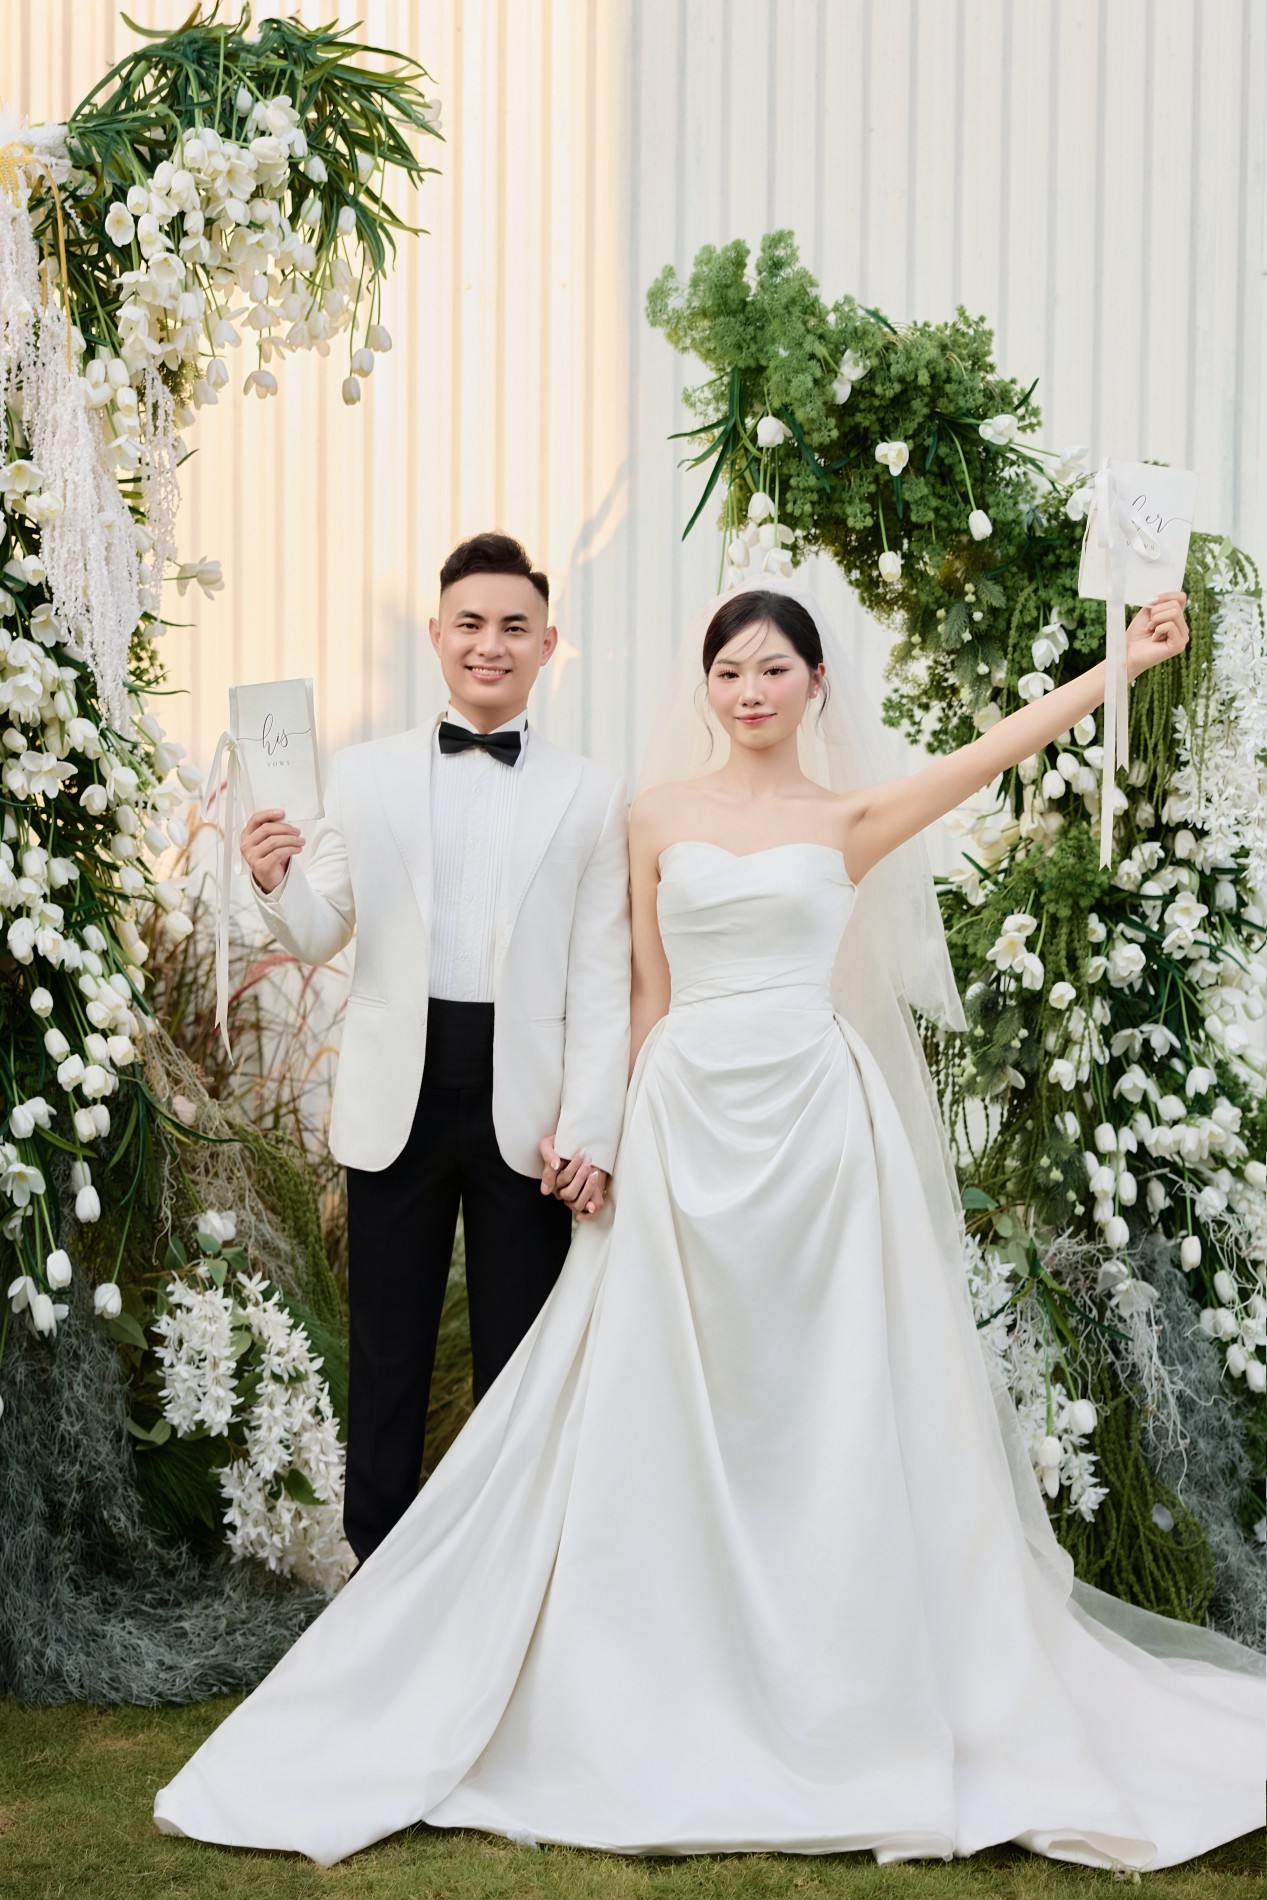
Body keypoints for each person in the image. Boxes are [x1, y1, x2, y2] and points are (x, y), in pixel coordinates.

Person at [156, 577, 1264, 1870]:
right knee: (662, 1400)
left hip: (816, 1138)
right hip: (683, 1125)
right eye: (728, 669)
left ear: (813, 685)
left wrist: (1120, 664)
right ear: (706, 685)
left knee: (823, 1401)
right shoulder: (653, 813)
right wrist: (602, 1133)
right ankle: (652, 1664)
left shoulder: (848, 816)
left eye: (772, 669)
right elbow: (638, 989)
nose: (748, 689)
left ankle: (843, 1670)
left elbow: (986, 755)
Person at [237, 531, 630, 1565]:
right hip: (396, 1095)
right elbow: (322, 930)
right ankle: (375, 1573)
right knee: (387, 1353)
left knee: (519, 1360)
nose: (489, 644)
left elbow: (600, 980)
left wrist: (592, 1131)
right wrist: (276, 880)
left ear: (548, 643)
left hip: (529, 1112)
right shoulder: (362, 775)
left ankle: (504, 1577)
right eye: (470, 623)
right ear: (436, 633)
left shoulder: (593, 794)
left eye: (513, 626)